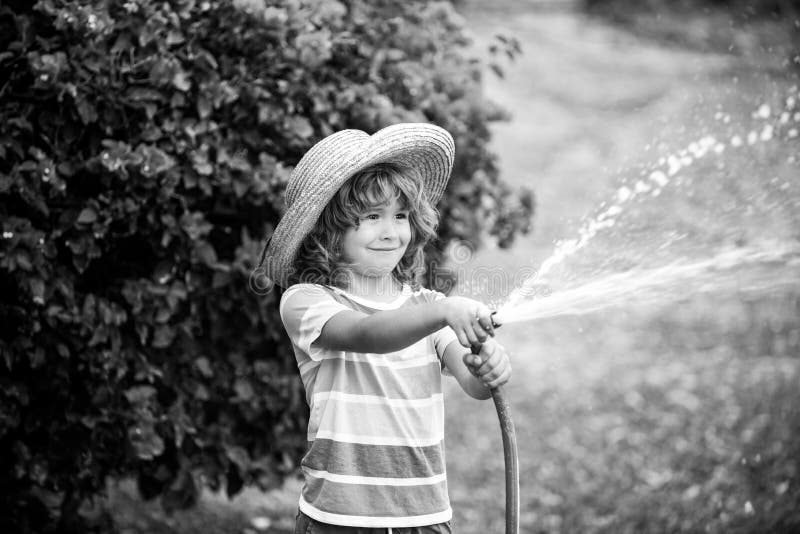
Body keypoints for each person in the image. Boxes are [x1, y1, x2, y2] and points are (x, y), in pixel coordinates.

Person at [258, 123, 512, 533]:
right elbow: (366, 335)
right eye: (371, 217)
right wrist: (445, 310)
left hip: (423, 516)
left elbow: (472, 381)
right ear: (327, 230)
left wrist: (489, 367)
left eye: (400, 216)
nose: (390, 231)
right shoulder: (307, 301)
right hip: (339, 518)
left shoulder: (427, 306)